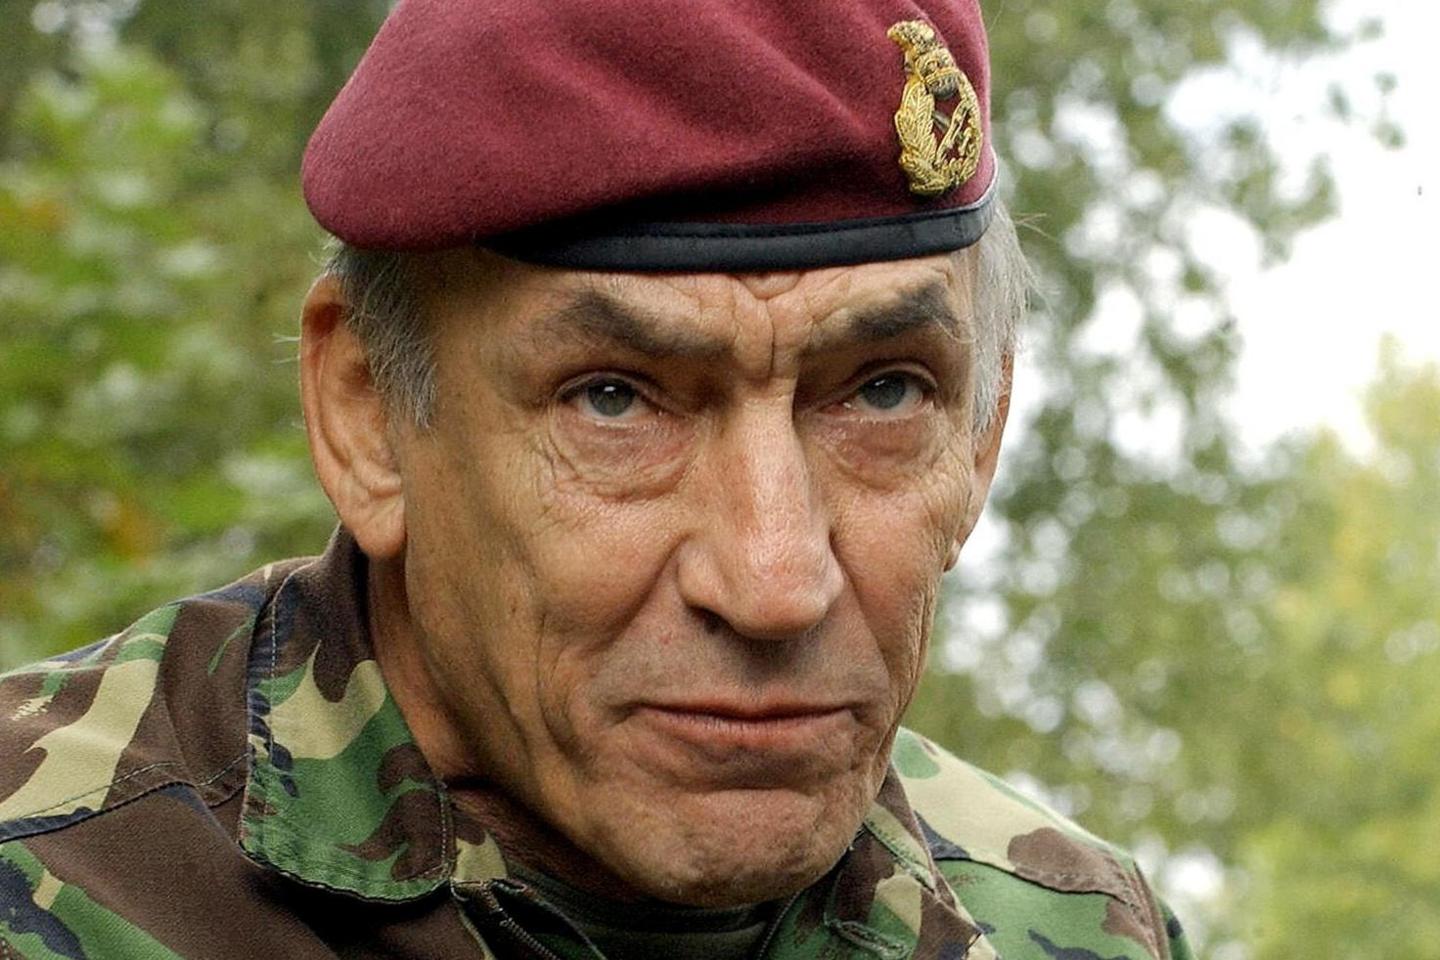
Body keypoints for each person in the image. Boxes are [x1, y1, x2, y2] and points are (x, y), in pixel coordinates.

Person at [0, 1, 1193, 957]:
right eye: (615, 398)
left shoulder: (1077, 925)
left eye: (882, 392)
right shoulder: (50, 871)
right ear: (368, 418)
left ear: (982, 432)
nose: (774, 582)